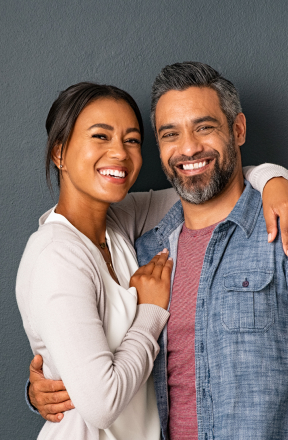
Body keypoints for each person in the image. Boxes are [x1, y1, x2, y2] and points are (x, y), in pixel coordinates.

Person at [24, 67, 288, 439]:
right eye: (170, 134)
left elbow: (225, 178)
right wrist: (47, 385)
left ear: (238, 130)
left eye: (205, 127)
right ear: (59, 152)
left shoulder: (277, 228)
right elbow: (98, 386)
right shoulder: (144, 248)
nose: (188, 147)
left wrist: (275, 179)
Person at [16, 82, 176, 440]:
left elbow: (205, 188)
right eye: (101, 136)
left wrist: (275, 180)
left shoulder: (119, 223)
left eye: (132, 140)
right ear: (60, 153)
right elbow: (102, 405)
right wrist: (150, 312)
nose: (119, 152)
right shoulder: (56, 256)